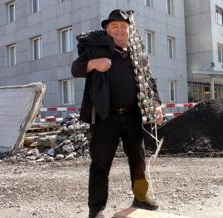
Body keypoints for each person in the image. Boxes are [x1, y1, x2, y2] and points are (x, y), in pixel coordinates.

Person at [71, 9, 163, 218]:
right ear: (107, 30)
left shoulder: (136, 54)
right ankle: (96, 210)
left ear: (129, 30)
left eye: (123, 26)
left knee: (138, 161)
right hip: (105, 117)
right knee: (100, 164)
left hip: (132, 116)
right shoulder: (97, 50)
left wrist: (156, 103)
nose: (120, 29)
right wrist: (94, 64)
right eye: (115, 26)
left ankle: (141, 198)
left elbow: (149, 81)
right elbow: (76, 69)